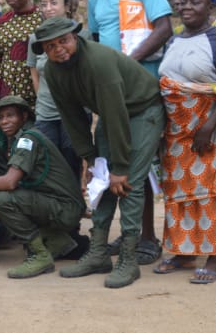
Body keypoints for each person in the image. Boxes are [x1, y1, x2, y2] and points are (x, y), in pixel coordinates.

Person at [32, 17, 164, 288]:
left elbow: (116, 115)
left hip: (141, 111)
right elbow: (72, 117)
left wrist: (120, 167)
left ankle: (129, 258)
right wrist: (90, 158)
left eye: (64, 41)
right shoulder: (54, 72)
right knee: (102, 182)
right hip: (112, 113)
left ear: (75, 37)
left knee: (128, 183)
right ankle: (98, 252)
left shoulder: (98, 62)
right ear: (44, 50)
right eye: (51, 46)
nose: (59, 49)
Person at [86, 0, 172, 266]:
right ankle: (128, 234)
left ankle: (148, 238)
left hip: (143, 90)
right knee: (115, 164)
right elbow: (95, 41)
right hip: (112, 94)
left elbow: (164, 27)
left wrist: (128, 64)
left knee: (142, 165)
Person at [153, 0, 216, 284]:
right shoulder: (174, 39)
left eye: (195, 2)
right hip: (176, 130)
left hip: (209, 129)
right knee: (179, 191)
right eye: (182, 1)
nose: (185, 6)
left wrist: (208, 125)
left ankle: (214, 259)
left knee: (210, 192)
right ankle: (182, 251)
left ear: (211, 6)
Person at [0, 96, 85, 279]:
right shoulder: (22, 139)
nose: (4, 121)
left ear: (24, 116)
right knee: (5, 198)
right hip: (60, 205)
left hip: (65, 209)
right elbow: (12, 184)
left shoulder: (28, 139)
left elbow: (9, 183)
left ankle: (40, 255)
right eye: (1, 117)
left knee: (2, 200)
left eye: (10, 116)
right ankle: (56, 241)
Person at [26, 0, 85, 179]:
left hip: (74, 110)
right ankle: (54, 205)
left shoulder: (82, 34)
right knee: (48, 158)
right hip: (45, 111)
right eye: (44, 4)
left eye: (54, 3)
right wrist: (41, 99)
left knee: (72, 156)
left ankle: (76, 204)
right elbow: (35, 73)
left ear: (67, 6)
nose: (48, 8)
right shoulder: (35, 38)